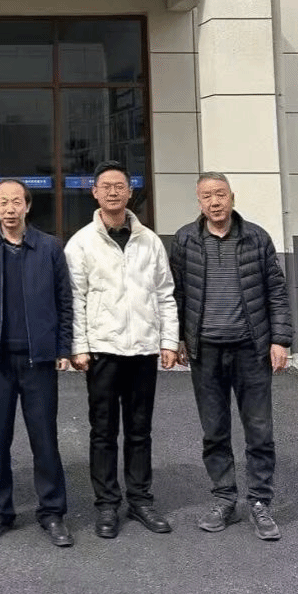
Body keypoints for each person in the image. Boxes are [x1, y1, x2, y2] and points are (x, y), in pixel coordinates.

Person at [170, 172, 293, 542]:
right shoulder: (185, 240)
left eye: (220, 194)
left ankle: (260, 502)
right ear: (199, 202)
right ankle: (224, 498)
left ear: (232, 197)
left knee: (259, 430)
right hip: (205, 351)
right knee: (214, 431)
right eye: (207, 196)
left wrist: (280, 339)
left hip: (251, 350)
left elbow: (276, 291)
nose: (215, 202)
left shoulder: (257, 238)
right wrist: (177, 338)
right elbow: (176, 294)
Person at [64, 162, 179, 541]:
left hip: (143, 349)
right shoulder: (81, 243)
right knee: (103, 431)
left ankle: (141, 499)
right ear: (94, 193)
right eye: (106, 186)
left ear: (130, 192)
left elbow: (165, 293)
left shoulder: (150, 241)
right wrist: (79, 346)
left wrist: (168, 341)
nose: (113, 192)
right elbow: (75, 299)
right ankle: (107, 504)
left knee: (139, 429)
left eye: (120, 186)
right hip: (102, 351)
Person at [0, 179, 74, 548]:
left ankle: (52, 511)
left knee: (44, 437)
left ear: (27, 206)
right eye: (3, 202)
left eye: (16, 202)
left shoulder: (50, 247)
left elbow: (64, 300)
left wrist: (63, 347)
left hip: (38, 358)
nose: (10, 209)